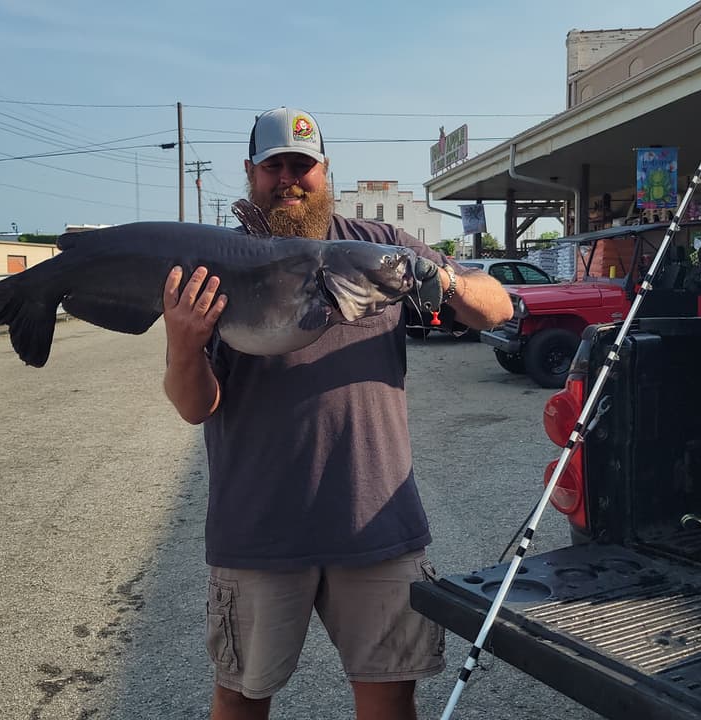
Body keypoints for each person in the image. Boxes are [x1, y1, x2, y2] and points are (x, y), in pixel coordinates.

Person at [161, 107, 513, 720]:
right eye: (275, 167)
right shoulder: (219, 263)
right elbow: (196, 407)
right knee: (241, 699)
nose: (289, 179)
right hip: (257, 532)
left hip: (376, 524)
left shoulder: (382, 249)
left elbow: (498, 308)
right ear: (250, 173)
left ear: (326, 172)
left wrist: (443, 283)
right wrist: (183, 345)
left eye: (304, 166)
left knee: (389, 700)